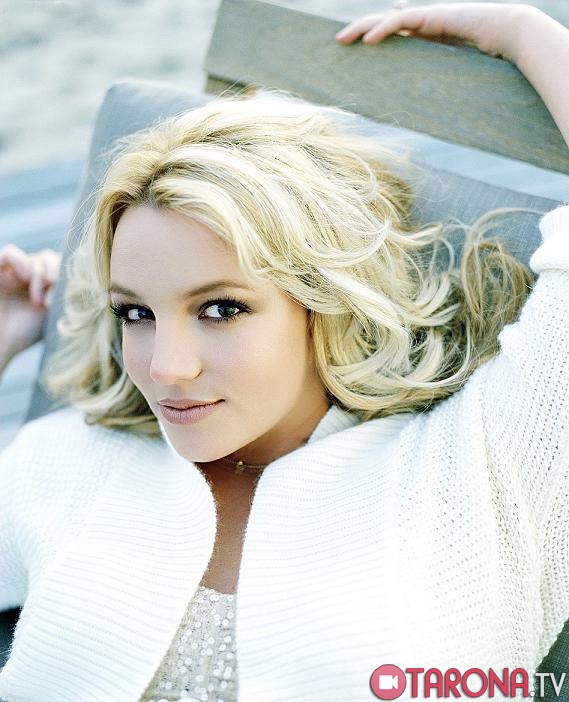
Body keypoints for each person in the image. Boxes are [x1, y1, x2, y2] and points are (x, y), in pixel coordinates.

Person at [0, 4, 567, 701]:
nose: (166, 367)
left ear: (323, 298)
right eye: (136, 313)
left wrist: (524, 32)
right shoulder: (69, 457)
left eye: (221, 309)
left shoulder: (475, 467)